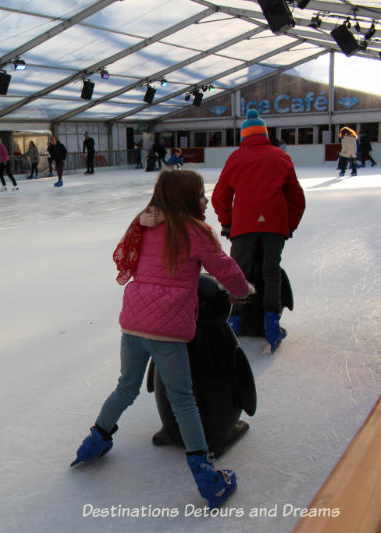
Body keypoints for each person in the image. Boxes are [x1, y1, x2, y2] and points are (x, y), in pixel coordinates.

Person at [71, 170, 252, 510]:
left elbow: (136, 261)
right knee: (184, 400)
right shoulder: (197, 231)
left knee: (126, 387)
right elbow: (224, 268)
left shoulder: (145, 222)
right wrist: (243, 292)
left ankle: (93, 442)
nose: (205, 201)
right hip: (167, 329)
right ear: (186, 197)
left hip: (134, 320)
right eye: (200, 194)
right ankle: (206, 478)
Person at [212, 109, 305, 352]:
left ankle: (234, 321)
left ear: (243, 136)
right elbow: (297, 199)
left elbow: (220, 196)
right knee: (271, 272)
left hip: (243, 225)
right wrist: (288, 226)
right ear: (265, 134)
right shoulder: (280, 157)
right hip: (275, 225)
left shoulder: (236, 158)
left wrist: (227, 222)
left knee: (238, 273)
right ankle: (272, 324)